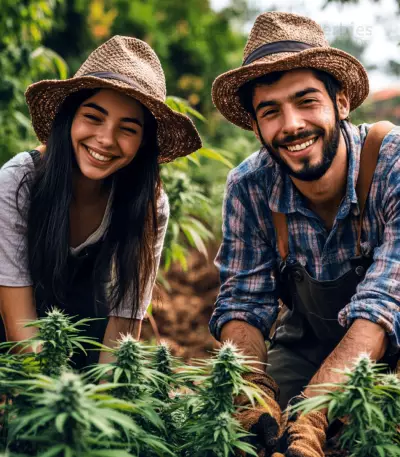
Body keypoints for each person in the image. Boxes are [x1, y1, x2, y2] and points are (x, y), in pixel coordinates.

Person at [210, 12, 400, 456]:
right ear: (255, 127)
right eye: (270, 111)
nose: (291, 124)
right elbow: (243, 299)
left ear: (342, 101)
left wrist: (315, 409)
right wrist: (251, 392)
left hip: (393, 339)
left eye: (306, 101)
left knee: (373, 433)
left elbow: (385, 302)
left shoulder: (392, 163)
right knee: (247, 434)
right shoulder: (249, 186)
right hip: (310, 344)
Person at [0, 35, 201, 368]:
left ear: (143, 143)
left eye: (128, 128)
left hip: (82, 334)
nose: (106, 140)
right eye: (93, 117)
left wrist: (105, 401)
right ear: (69, 119)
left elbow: (125, 320)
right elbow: (18, 325)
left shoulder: (149, 202)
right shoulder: (19, 180)